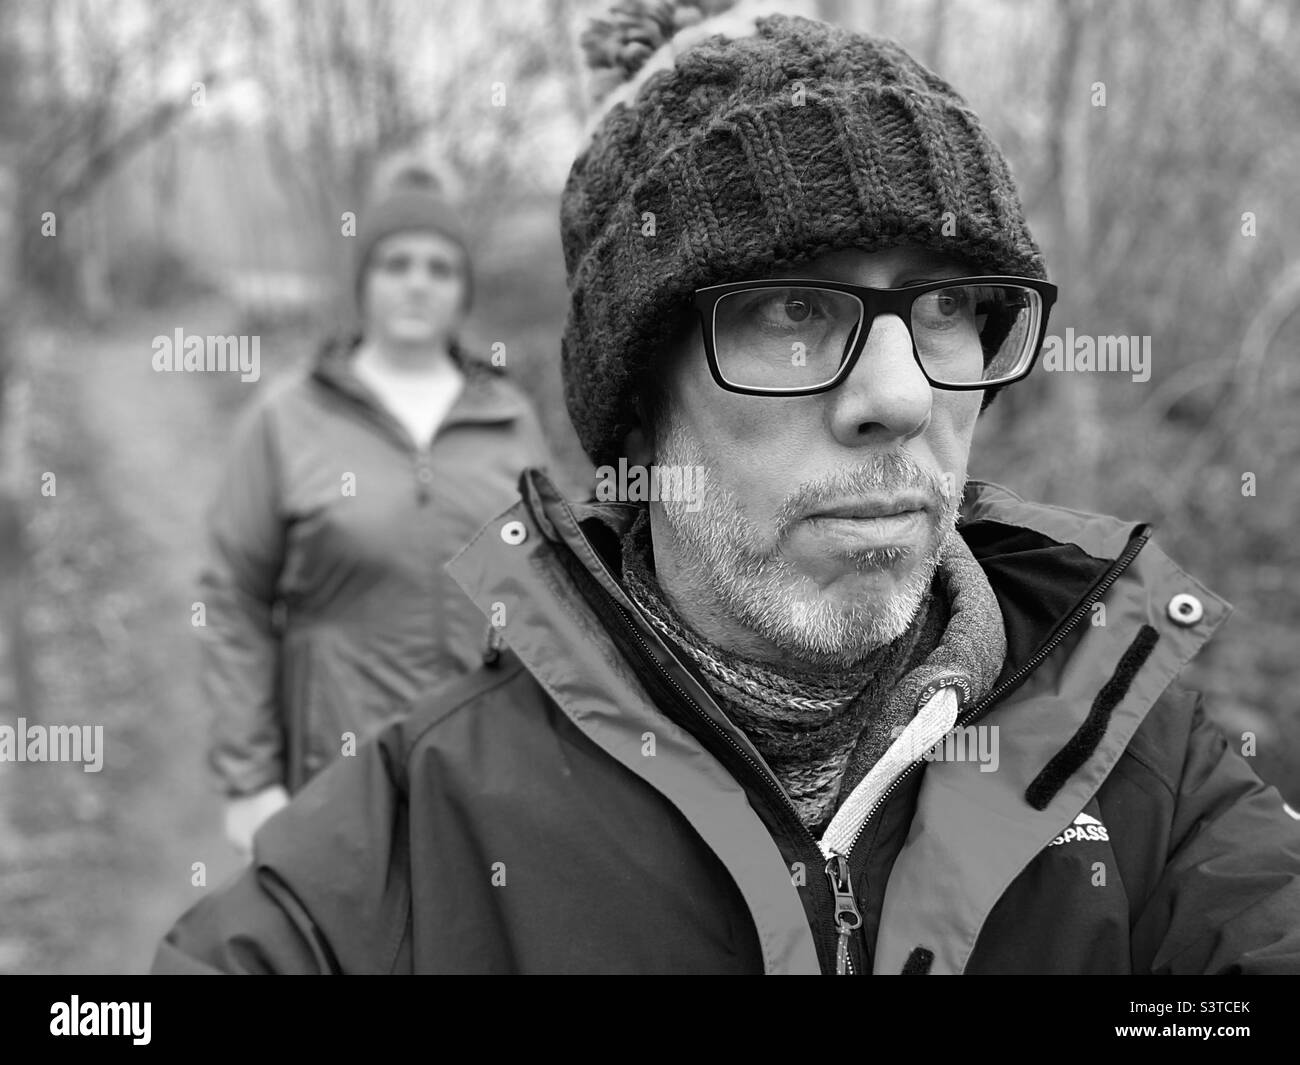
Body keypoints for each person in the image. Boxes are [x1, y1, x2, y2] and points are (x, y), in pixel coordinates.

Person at [156, 11, 1300, 973]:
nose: (900, 398)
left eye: (952, 307)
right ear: (637, 410)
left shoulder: (1150, 775)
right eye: (793, 311)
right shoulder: (395, 870)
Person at [204, 165, 552, 857]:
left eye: (439, 267)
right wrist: (248, 781)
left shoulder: (510, 417)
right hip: (335, 778)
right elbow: (233, 598)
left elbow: (545, 595)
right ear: (362, 279)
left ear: (462, 291)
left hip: (481, 783)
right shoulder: (287, 418)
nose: (417, 281)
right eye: (396, 263)